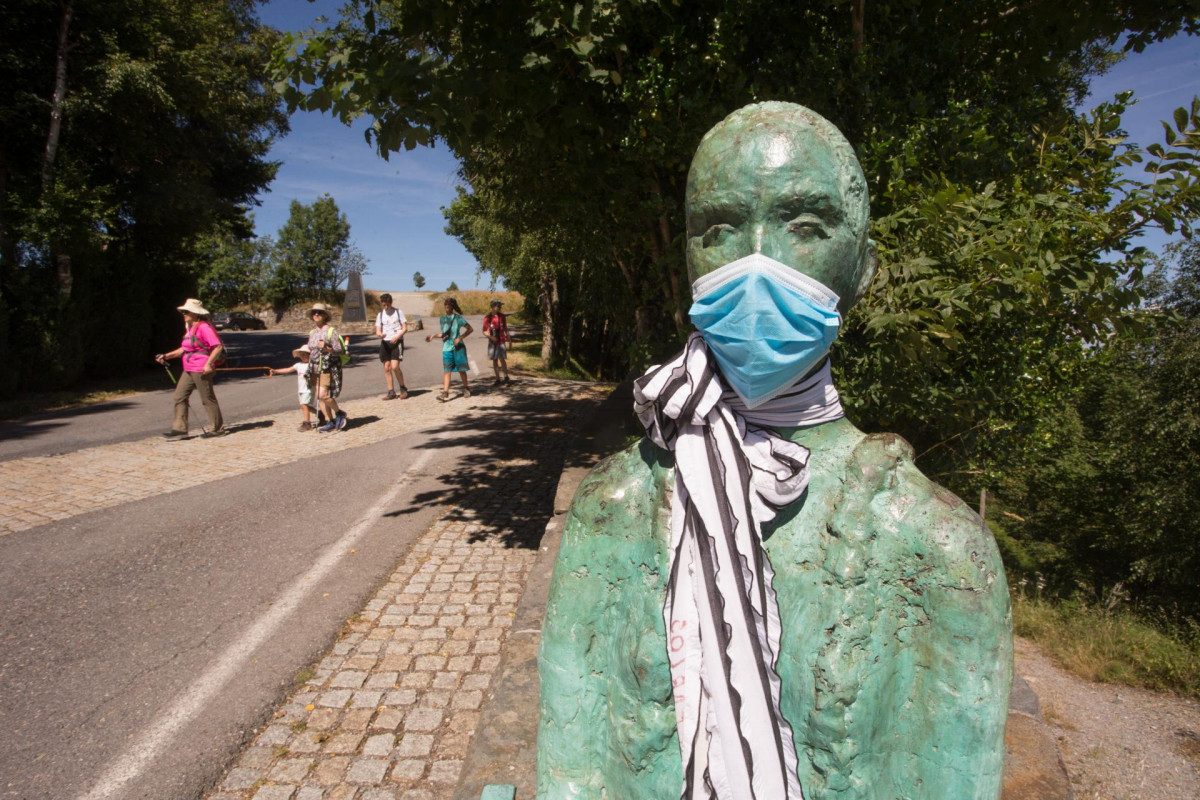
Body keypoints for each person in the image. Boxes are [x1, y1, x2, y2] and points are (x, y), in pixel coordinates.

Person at [537, 103, 1012, 800]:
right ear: (690, 258)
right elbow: (572, 772)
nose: (757, 263)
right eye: (720, 229)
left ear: (863, 268)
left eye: (807, 226)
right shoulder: (612, 510)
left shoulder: (940, 548)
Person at [155, 298, 226, 439]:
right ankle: (180, 429)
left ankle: (217, 428)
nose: (183, 314)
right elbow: (184, 348)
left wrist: (208, 364)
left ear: (195, 313)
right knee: (179, 396)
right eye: (183, 311)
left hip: (201, 368)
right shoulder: (190, 329)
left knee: (207, 398)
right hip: (188, 368)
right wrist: (166, 356)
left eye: (186, 311)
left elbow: (217, 346)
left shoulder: (204, 327)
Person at [307, 302, 348, 432]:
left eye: (319, 312)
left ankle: (339, 412)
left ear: (325, 315)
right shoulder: (312, 332)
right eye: (314, 312)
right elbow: (311, 349)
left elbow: (338, 350)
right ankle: (330, 420)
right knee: (320, 397)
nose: (316, 314)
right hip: (314, 368)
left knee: (323, 395)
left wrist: (326, 348)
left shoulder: (331, 331)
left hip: (326, 367)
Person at [425, 297, 472, 401]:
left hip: (458, 348)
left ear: (452, 306)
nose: (447, 306)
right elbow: (445, 334)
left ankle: (466, 388)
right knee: (447, 370)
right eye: (445, 304)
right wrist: (433, 336)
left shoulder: (458, 318)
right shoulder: (442, 319)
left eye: (449, 304)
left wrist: (460, 338)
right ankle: (445, 393)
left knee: (461, 370)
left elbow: (470, 329)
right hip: (446, 348)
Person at [267, 345, 318, 431]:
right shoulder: (298, 365)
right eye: (302, 355)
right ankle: (319, 413)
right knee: (306, 406)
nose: (303, 357)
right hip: (301, 389)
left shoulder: (312, 365)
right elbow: (288, 370)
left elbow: (317, 375)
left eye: (305, 355)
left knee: (304, 405)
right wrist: (276, 371)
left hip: (308, 388)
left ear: (310, 355)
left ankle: (307, 423)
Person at [375, 293, 409, 400]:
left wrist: (397, 336)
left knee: (395, 366)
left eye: (387, 305)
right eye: (384, 305)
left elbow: (404, 328)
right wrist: (380, 334)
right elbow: (378, 330)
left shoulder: (398, 312)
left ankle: (403, 388)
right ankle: (391, 391)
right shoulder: (380, 315)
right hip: (385, 342)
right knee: (387, 367)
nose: (386, 307)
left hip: (396, 341)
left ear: (391, 303)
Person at [481, 299, 511, 386]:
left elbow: (505, 327)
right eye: (498, 306)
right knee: (494, 360)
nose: (499, 308)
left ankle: (506, 377)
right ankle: (497, 378)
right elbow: (483, 331)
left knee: (502, 358)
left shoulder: (502, 316)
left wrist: (508, 337)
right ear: (493, 307)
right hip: (492, 342)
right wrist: (491, 337)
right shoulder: (487, 318)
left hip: (501, 340)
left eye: (500, 306)